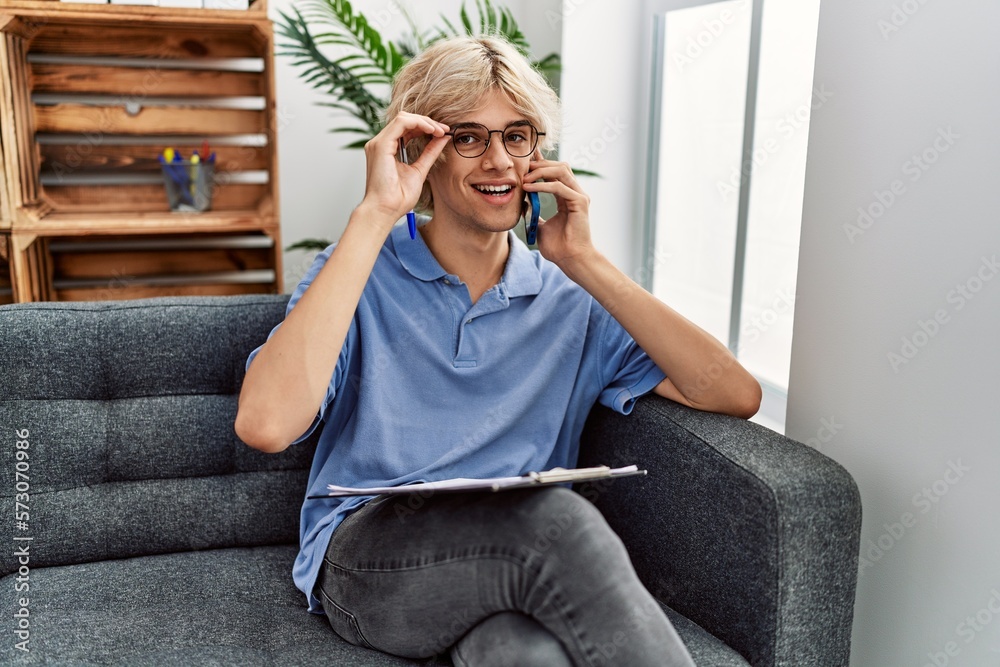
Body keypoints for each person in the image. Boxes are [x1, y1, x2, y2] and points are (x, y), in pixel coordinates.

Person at [236, 34, 761, 666]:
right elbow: (266, 426)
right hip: (371, 559)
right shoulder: (358, 272)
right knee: (558, 525)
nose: (501, 161)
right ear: (418, 151)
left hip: (501, 564)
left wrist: (584, 262)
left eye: (517, 136)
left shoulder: (570, 299)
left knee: (522, 653)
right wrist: (376, 215)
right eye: (468, 138)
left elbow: (733, 393)